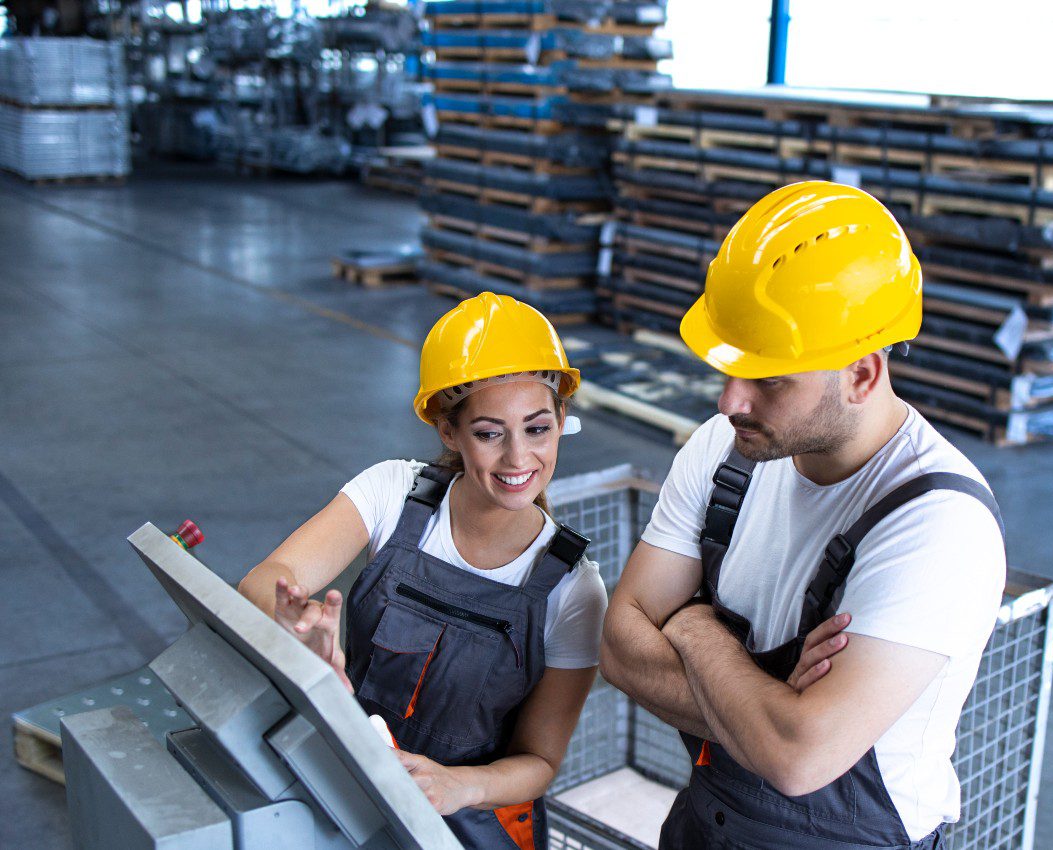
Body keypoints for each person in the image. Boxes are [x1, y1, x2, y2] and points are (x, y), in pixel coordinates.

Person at [599, 181, 1007, 850]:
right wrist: (768, 705)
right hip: (710, 820)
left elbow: (798, 759)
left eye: (769, 380)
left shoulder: (938, 525)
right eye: (730, 368)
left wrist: (695, 631)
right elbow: (619, 647)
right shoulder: (721, 451)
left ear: (862, 376)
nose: (731, 401)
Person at [238, 292, 606, 850]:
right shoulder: (393, 493)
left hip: (472, 818)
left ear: (560, 421)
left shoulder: (574, 590)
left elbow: (540, 760)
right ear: (448, 431)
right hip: (351, 776)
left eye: (537, 429)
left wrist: (457, 785)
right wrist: (288, 625)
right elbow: (267, 579)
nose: (517, 459)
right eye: (488, 433)